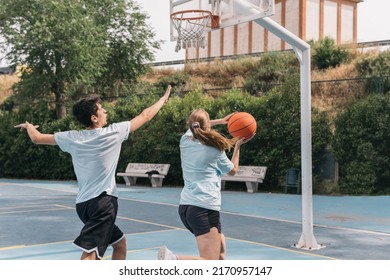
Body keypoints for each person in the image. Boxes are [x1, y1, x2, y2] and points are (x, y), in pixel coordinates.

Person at [15, 85, 171, 260]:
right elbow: (145, 115)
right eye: (101, 109)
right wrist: (162, 100)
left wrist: (28, 126)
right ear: (94, 117)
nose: (105, 110)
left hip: (83, 206)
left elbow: (37, 137)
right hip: (103, 203)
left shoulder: (72, 137)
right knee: (90, 255)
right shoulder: (113, 133)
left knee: (120, 243)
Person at [158, 108, 254, 260]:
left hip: (186, 208)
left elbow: (196, 127)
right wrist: (237, 147)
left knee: (221, 250)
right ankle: (173, 259)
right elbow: (233, 170)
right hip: (204, 209)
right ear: (207, 125)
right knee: (209, 262)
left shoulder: (185, 141)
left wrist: (221, 120)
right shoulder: (215, 150)